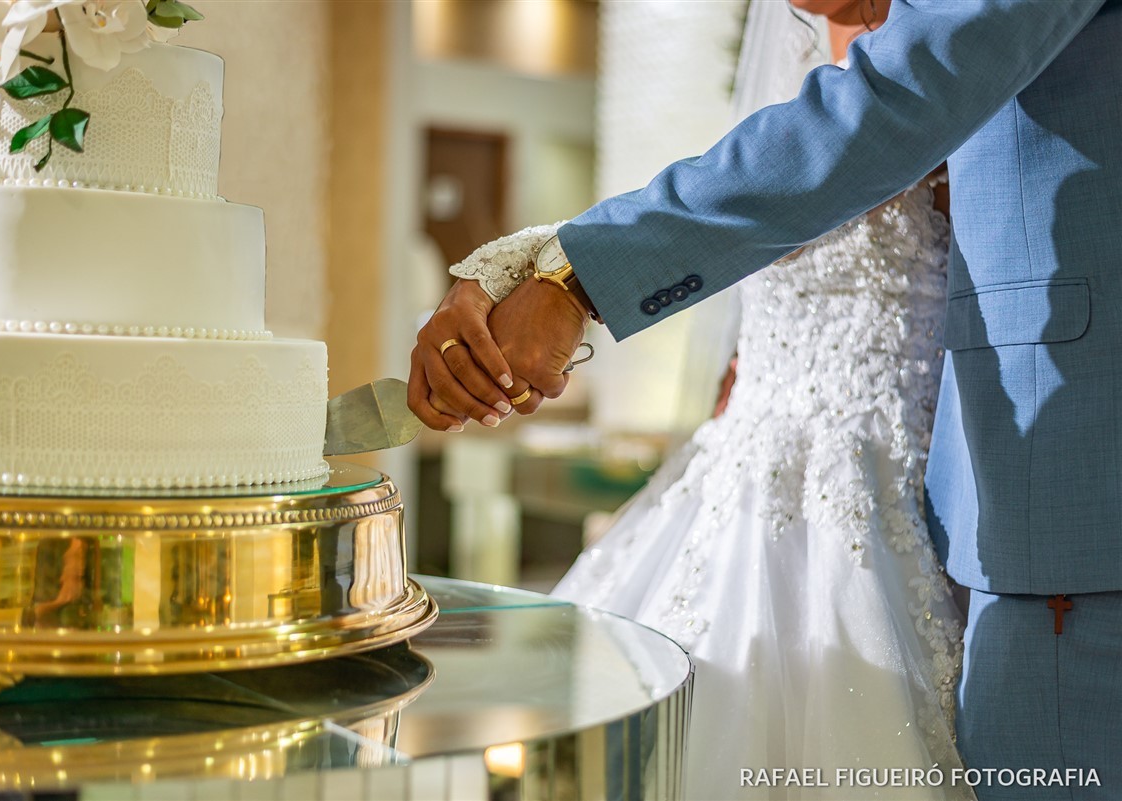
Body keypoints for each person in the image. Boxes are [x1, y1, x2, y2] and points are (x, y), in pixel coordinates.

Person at [410, 1, 1122, 799]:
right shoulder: (797, 60)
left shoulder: (909, 55)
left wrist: (575, 275)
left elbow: (894, 102)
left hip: (1047, 480)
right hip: (956, 491)